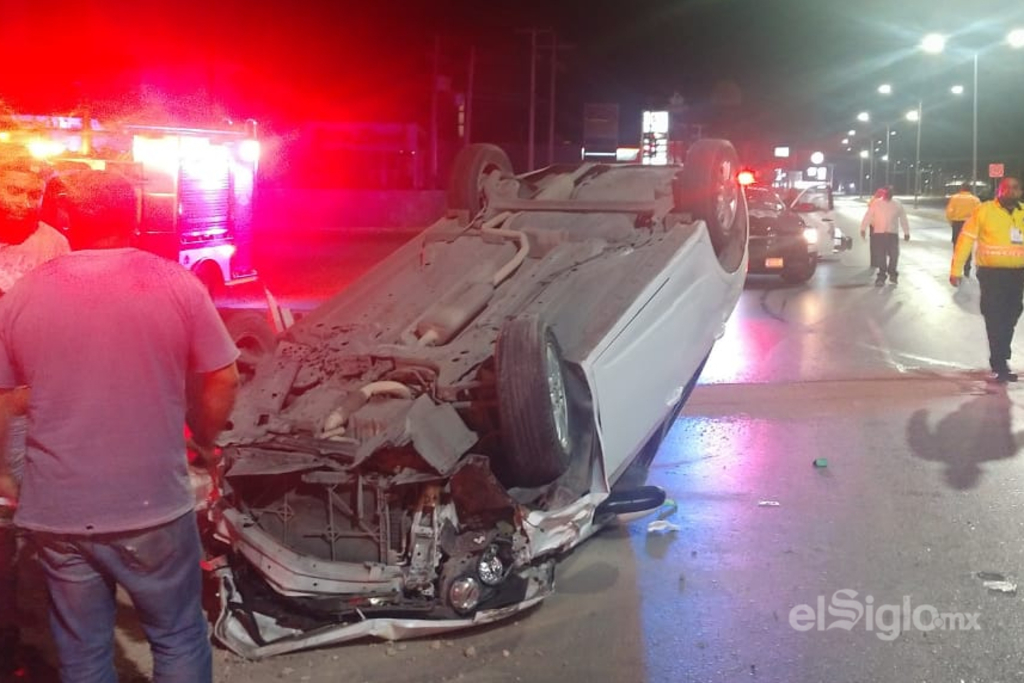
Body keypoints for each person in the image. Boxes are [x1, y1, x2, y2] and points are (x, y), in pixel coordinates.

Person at [0, 169, 240, 682]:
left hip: (59, 513)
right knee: (176, 636)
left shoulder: (23, 296)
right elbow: (222, 378)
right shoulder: (176, 283)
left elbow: (4, 400)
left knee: (83, 653)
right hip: (150, 506)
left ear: (65, 219)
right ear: (134, 216)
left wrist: (5, 472)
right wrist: (204, 434)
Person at [0, 154, 70, 671]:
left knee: (21, 506)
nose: (27, 202)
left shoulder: (53, 244)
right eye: (16, 191)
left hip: (23, 400)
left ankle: (24, 627)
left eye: (35, 193)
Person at [950, 176, 1024, 383]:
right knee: (994, 316)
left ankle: (1002, 352)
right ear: (999, 190)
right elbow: (966, 239)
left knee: (1012, 315)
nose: (1012, 191)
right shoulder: (984, 210)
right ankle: (999, 362)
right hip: (991, 274)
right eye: (1007, 187)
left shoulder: (1022, 212)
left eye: (1016, 188)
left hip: (1017, 274)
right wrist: (956, 269)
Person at [860, 186, 910, 286]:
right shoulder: (876, 203)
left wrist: (906, 232)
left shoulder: (897, 204)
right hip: (879, 233)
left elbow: (903, 219)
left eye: (891, 193)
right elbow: (868, 216)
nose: (889, 194)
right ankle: (881, 276)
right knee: (881, 256)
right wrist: (863, 228)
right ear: (885, 193)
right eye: (888, 192)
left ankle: (892, 273)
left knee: (894, 255)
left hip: (892, 234)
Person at [946, 181, 981, 277]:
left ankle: (957, 268)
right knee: (967, 246)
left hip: (957, 224)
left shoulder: (954, 198)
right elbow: (979, 213)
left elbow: (949, 212)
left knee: (957, 246)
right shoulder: (975, 200)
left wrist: (951, 222)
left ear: (961, 189)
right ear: (970, 189)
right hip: (969, 225)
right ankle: (967, 268)